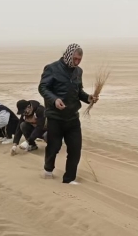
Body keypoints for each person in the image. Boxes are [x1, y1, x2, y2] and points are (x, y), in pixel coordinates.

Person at [38, 43, 98, 184]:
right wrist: (54, 100)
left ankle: (69, 179)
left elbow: (78, 92)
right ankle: (48, 170)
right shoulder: (52, 68)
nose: (77, 62)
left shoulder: (78, 71)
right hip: (55, 117)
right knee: (54, 146)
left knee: (75, 149)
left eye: (79, 60)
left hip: (72, 118)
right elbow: (43, 88)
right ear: (68, 54)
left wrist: (89, 98)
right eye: (75, 58)